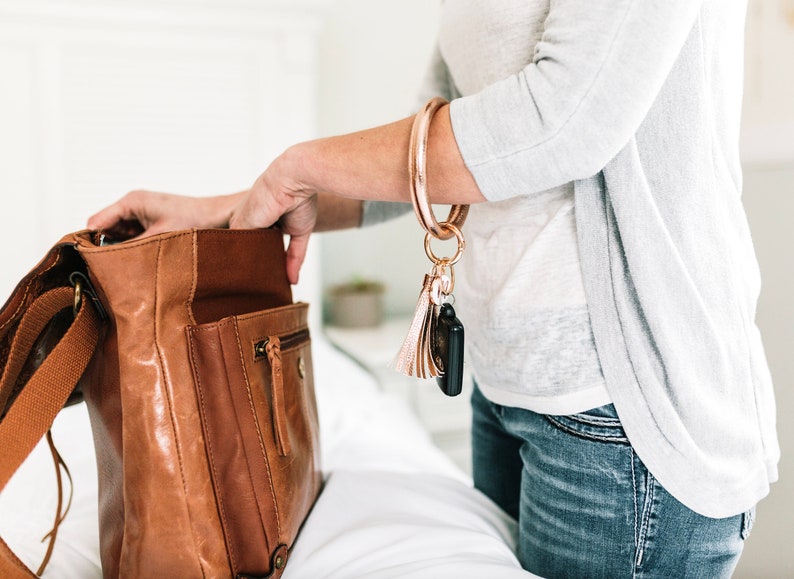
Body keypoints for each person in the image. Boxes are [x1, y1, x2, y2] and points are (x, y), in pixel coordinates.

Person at [88, 2, 779, 577]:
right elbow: (439, 141)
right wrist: (232, 206)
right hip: (507, 387)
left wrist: (296, 166)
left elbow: (560, 121)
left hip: (621, 411)